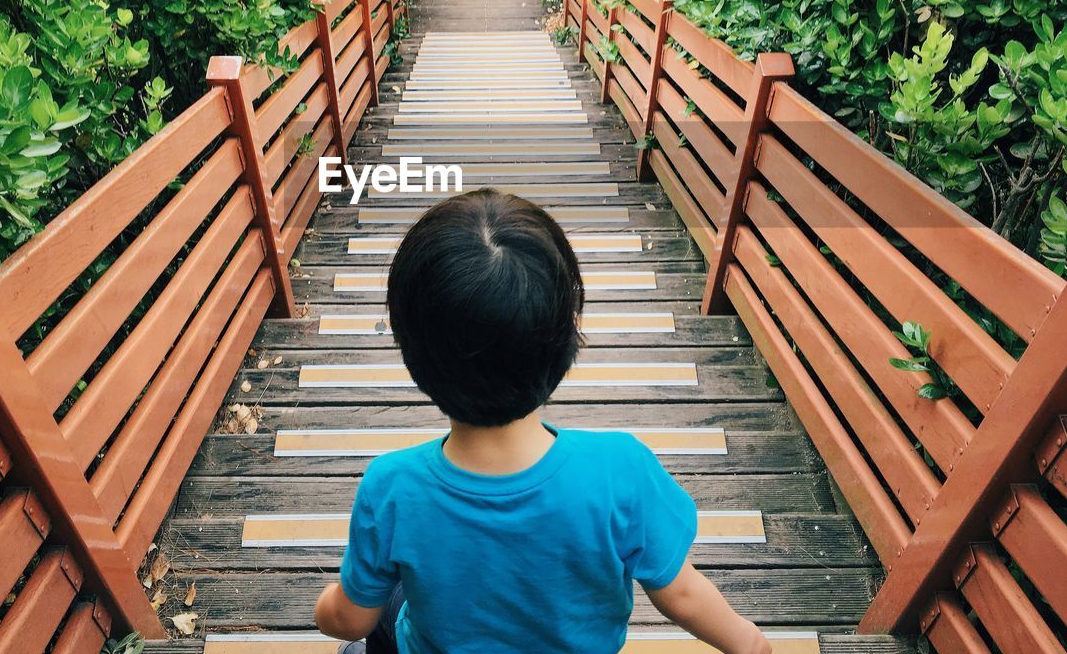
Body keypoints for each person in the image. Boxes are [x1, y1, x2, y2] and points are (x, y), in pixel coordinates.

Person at [313, 188, 770, 654]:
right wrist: (750, 644)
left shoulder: (392, 487)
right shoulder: (621, 471)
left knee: (383, 607)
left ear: (410, 350)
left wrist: (325, 606)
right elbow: (683, 594)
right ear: (569, 332)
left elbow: (349, 618)